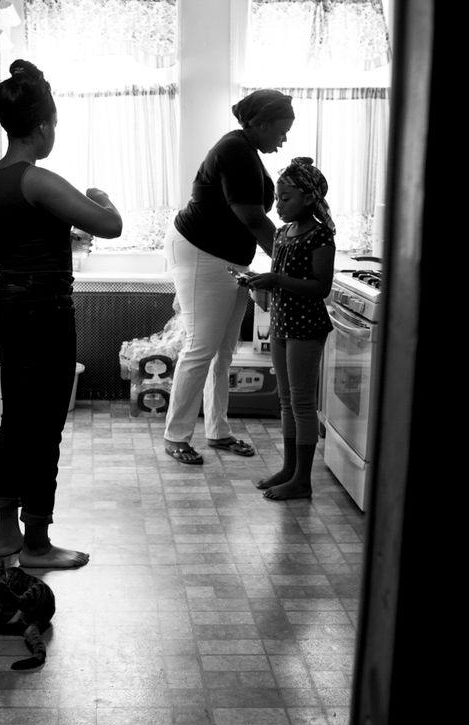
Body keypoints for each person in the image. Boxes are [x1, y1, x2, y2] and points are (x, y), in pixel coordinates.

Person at [0, 59, 122, 569]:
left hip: (7, 301)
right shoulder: (36, 179)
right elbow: (110, 225)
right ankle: (36, 543)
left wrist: (46, 236)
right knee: (44, 426)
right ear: (42, 126)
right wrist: (100, 198)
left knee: (16, 417)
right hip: (45, 307)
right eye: (54, 123)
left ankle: (4, 538)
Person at [162, 89, 296, 465]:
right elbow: (252, 217)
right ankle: (176, 436)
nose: (283, 139)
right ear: (260, 124)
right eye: (281, 131)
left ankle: (218, 431)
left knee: (223, 351)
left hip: (228, 259)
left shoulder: (247, 150)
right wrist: (288, 262)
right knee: (201, 347)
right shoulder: (236, 150)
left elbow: (253, 216)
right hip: (202, 253)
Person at [248, 157, 335, 500]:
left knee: (300, 402)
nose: (278, 205)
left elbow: (320, 287)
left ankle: (303, 480)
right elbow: (279, 278)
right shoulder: (283, 233)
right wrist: (260, 285)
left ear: (309, 199)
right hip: (283, 322)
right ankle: (289, 469)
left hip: (306, 326)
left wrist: (276, 279)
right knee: (286, 401)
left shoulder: (320, 235)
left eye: (286, 199)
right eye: (278, 198)